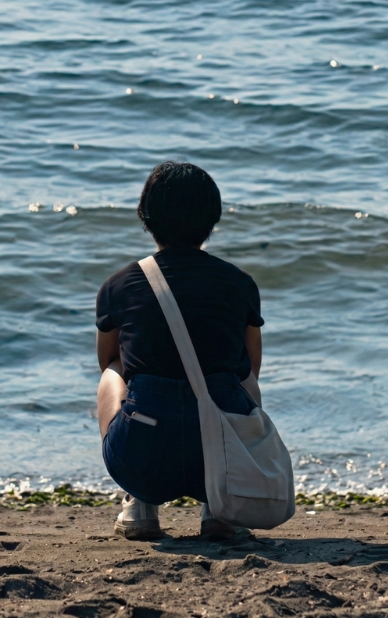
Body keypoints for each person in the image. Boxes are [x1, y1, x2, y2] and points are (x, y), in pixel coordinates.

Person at [95, 161, 264, 540]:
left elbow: (107, 359)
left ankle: (139, 503)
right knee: (244, 380)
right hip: (219, 457)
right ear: (213, 220)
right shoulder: (240, 283)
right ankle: (220, 508)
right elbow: (251, 366)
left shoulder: (119, 285)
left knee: (114, 370)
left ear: (146, 217)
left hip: (144, 460)